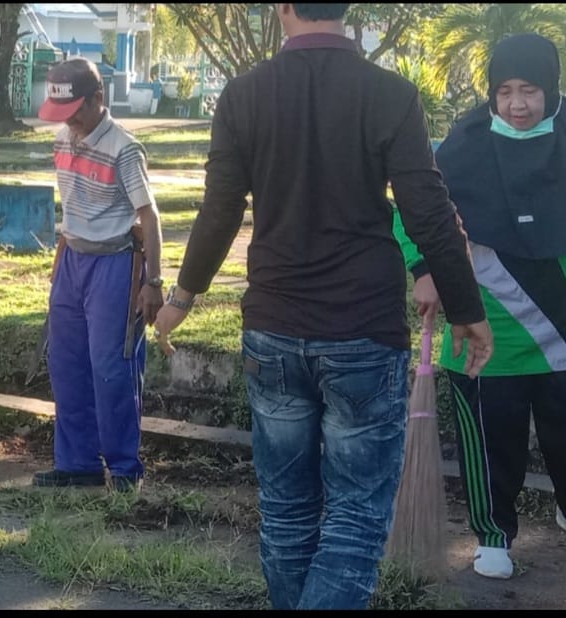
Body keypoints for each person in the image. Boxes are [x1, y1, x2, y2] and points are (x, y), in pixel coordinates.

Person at [152, 3, 494, 610]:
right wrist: (468, 310)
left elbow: (220, 210)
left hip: (273, 329)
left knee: (286, 511)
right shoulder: (390, 94)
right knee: (356, 519)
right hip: (364, 330)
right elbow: (428, 211)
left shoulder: (243, 95)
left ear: (282, 8)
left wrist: (183, 296)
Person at [394, 33, 566, 580]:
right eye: (504, 91)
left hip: (562, 330)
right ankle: (494, 536)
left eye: (530, 90)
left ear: (552, 88)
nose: (517, 105)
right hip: (484, 331)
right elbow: (412, 211)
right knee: (492, 443)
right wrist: (423, 270)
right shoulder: (461, 146)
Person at [30, 58, 164, 493]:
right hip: (72, 261)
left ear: (98, 99)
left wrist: (153, 282)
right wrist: (60, 265)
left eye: (75, 112)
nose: (69, 123)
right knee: (66, 363)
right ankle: (77, 464)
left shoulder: (124, 148)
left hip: (114, 264)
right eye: (61, 115)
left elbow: (150, 217)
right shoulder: (62, 140)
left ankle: (124, 470)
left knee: (112, 368)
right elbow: (72, 207)